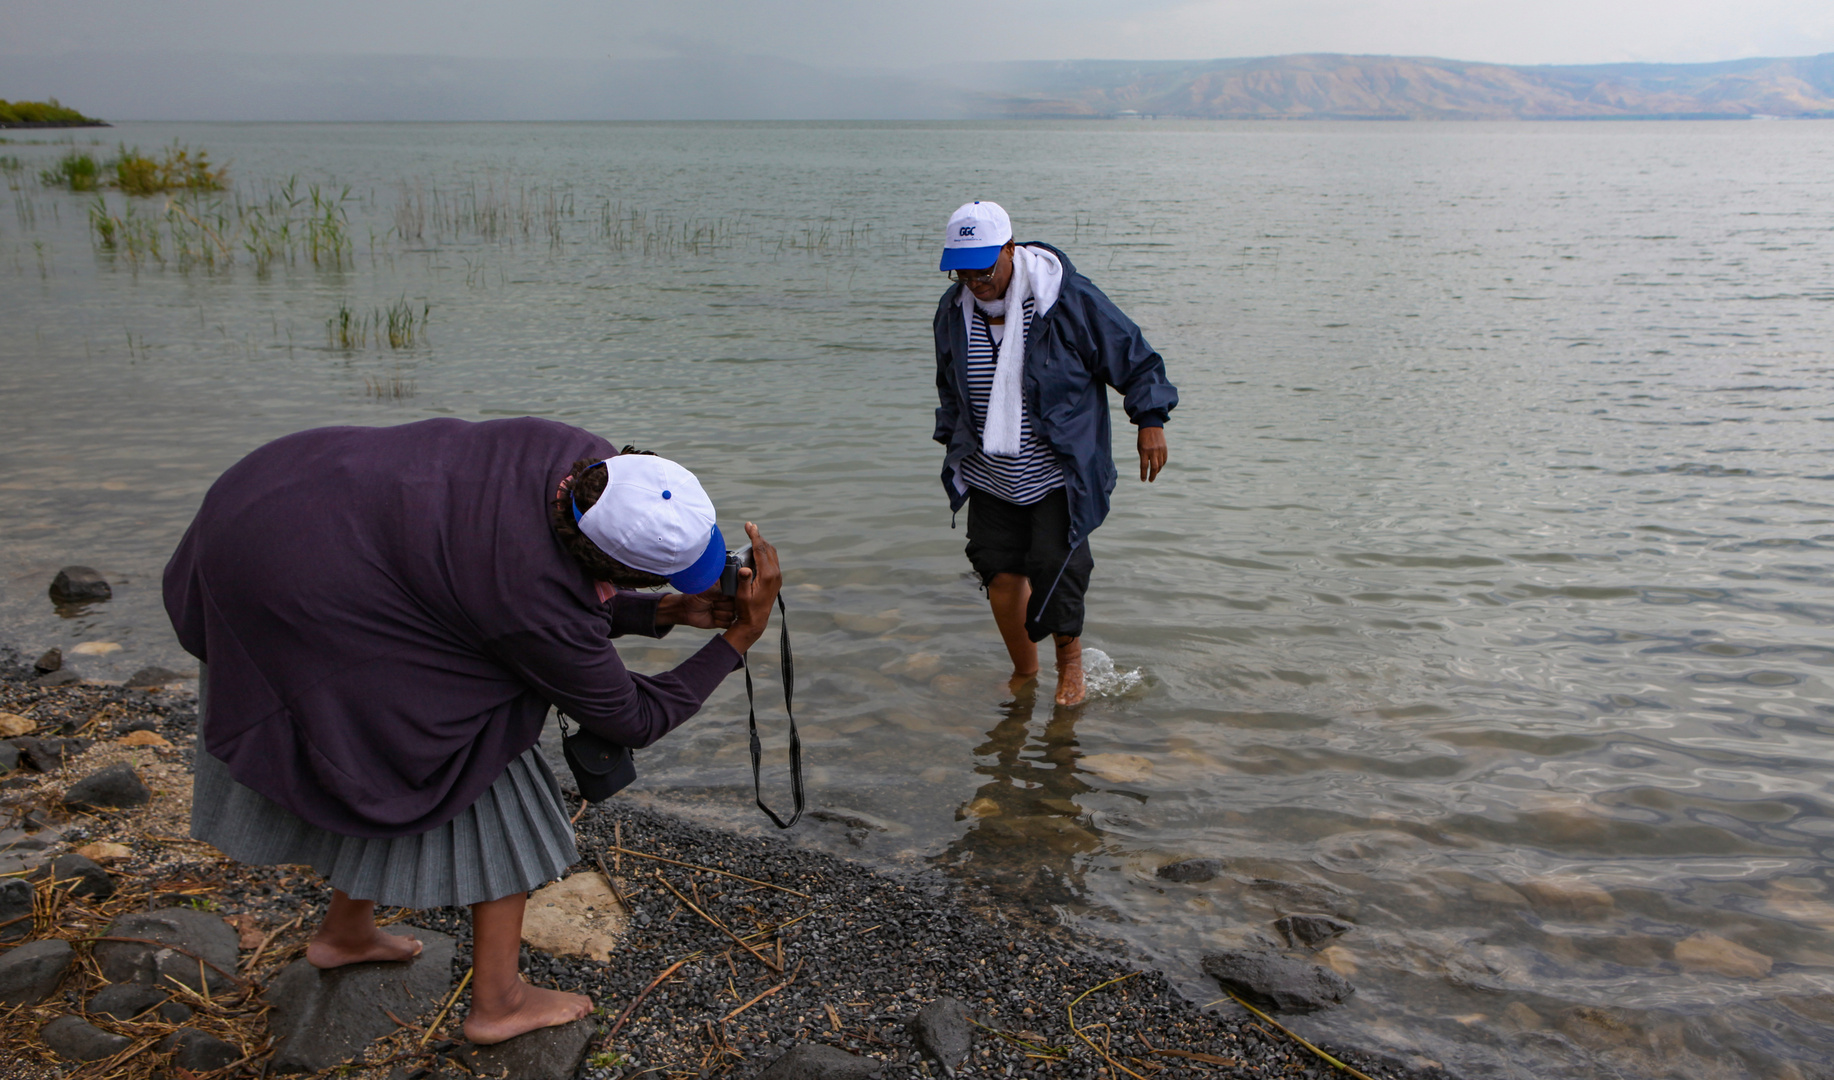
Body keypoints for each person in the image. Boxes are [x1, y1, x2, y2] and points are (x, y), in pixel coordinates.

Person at [162, 417, 781, 1045]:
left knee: (370, 748)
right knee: (463, 760)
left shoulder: (573, 456)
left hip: (269, 501)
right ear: (606, 565)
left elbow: (483, 577)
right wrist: (738, 640)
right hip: (300, 590)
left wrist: (663, 610)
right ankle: (499, 1001)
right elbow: (632, 716)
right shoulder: (533, 594)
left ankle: (344, 934)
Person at [931, 200, 1178, 706]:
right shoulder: (952, 311)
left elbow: (1132, 354)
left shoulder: (1063, 299)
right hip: (989, 471)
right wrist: (951, 437)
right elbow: (950, 384)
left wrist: (1149, 419)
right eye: (963, 272)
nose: (974, 283)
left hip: (1055, 469)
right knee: (998, 574)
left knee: (1056, 568)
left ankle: (1071, 667)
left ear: (1009, 249)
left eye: (984, 269)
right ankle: (1025, 672)